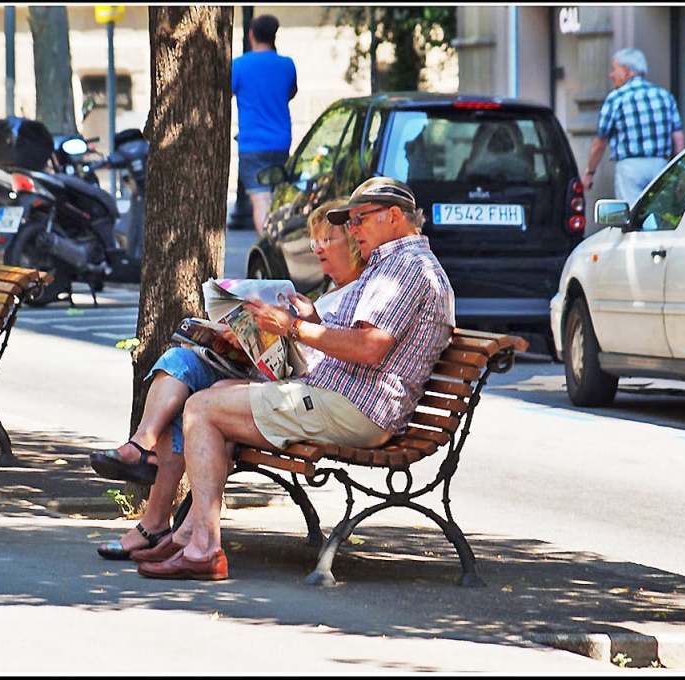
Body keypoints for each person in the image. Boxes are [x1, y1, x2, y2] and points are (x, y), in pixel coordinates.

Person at [136, 178, 455, 581]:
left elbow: (370, 347)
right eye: (351, 222)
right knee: (218, 392)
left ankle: (203, 547)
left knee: (202, 407)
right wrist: (312, 320)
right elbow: (365, 339)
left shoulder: (405, 268)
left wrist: (291, 328)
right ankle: (190, 535)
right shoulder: (397, 263)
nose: (353, 231)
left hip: (355, 407)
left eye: (360, 220)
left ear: (394, 217)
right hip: (347, 398)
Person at [89, 198, 365, 561]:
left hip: (296, 395)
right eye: (315, 240)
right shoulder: (326, 294)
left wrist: (293, 328)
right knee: (180, 360)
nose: (317, 248)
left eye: (328, 239)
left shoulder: (360, 294)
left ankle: (157, 519)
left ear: (354, 244)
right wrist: (244, 334)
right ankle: (144, 450)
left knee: (198, 401)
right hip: (268, 380)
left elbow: (331, 358)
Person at [582, 47, 685, 207]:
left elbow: (600, 143)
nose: (611, 75)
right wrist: (679, 171)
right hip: (660, 166)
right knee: (659, 216)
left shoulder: (616, 98)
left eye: (613, 69)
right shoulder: (664, 96)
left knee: (632, 217)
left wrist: (589, 172)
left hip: (630, 168)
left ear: (626, 69)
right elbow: (678, 137)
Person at [232, 14, 297, 237]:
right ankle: (279, 245)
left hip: (252, 145)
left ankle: (269, 248)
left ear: (251, 35)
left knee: (260, 200)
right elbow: (290, 92)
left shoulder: (240, 65)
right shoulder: (287, 65)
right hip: (280, 142)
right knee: (277, 199)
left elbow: (226, 94)